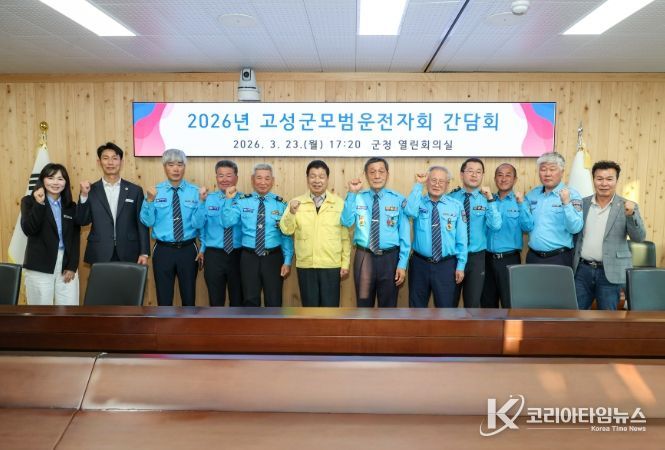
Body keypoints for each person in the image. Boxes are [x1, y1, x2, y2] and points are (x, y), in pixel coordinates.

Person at [573, 160, 646, 310]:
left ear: (616, 180)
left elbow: (639, 238)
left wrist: (631, 215)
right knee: (576, 315)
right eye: (599, 179)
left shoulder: (627, 206)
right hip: (582, 270)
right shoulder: (582, 204)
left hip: (610, 272)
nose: (604, 183)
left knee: (608, 318)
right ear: (593, 180)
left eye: (609, 179)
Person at [340, 157, 411, 308]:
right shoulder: (357, 198)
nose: (377, 176)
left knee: (388, 308)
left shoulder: (398, 199)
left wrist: (402, 264)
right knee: (364, 307)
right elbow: (346, 222)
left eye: (381, 171)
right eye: (372, 172)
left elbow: (405, 236)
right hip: (364, 257)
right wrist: (351, 194)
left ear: (387, 174)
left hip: (390, 259)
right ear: (366, 175)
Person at [280, 160, 351, 307]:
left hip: (331, 265)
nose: (317, 180)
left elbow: (345, 237)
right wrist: (291, 213)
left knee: (330, 310)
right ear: (307, 179)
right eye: (313, 176)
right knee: (309, 309)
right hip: (306, 265)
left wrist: (345, 263)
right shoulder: (296, 203)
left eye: (321, 176)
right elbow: (286, 230)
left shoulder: (339, 203)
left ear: (327, 179)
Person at [223, 163, 293, 307]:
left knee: (274, 301)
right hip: (249, 258)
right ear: (252, 179)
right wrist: (228, 200)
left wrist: (287, 260)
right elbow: (227, 222)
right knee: (249, 300)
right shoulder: (242, 201)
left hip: (273, 258)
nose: (263, 182)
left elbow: (286, 235)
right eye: (259, 178)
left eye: (267, 178)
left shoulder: (280, 204)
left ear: (272, 181)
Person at [140, 149, 203, 306]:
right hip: (163, 250)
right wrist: (149, 200)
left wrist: (202, 202)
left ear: (184, 167)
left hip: (188, 249)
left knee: (189, 298)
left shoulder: (195, 192)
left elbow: (199, 224)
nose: (176, 169)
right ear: (164, 167)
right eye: (171, 164)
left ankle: (189, 322)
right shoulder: (154, 192)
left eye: (180, 164)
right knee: (164, 298)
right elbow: (148, 222)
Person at [76, 142, 150, 266]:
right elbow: (82, 221)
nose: (110, 162)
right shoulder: (90, 190)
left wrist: (144, 252)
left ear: (121, 162)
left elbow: (141, 223)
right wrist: (84, 195)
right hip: (99, 251)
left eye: (115, 158)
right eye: (105, 158)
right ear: (99, 162)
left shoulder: (135, 190)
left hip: (129, 251)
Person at [404, 166, 467, 308]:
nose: (437, 184)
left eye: (441, 181)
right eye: (433, 180)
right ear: (427, 182)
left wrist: (461, 265)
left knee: (446, 310)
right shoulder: (418, 202)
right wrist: (418, 185)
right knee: (417, 310)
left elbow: (462, 239)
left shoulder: (456, 206)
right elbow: (409, 212)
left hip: (447, 266)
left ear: (447, 184)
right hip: (420, 264)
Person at [21, 163, 80, 305]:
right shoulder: (29, 201)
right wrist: (39, 204)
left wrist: (72, 266)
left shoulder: (70, 206)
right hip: (39, 265)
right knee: (40, 311)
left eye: (60, 179)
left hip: (65, 264)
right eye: (51, 178)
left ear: (65, 182)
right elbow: (29, 229)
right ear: (43, 180)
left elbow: (74, 237)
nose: (55, 182)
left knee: (69, 310)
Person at [447, 158, 501, 308]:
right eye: (470, 171)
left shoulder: (487, 199)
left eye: (478, 172)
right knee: (449, 303)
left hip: (476, 258)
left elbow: (496, 226)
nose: (474, 175)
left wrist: (490, 200)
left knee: (473, 304)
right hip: (452, 257)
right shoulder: (450, 198)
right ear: (461, 174)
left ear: (482, 175)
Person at [192, 160, 244, 307]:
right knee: (215, 301)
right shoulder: (208, 199)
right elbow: (197, 225)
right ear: (216, 177)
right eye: (221, 175)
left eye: (229, 175)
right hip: (214, 255)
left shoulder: (245, 200)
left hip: (238, 255)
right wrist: (201, 202)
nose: (224, 179)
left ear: (236, 178)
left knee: (238, 300)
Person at [481, 163, 533, 308]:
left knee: (510, 304)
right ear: (495, 178)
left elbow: (528, 227)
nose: (503, 179)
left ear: (515, 179)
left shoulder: (521, 201)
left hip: (509, 260)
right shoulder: (487, 200)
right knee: (487, 304)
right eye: (500, 175)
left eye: (508, 175)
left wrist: (521, 204)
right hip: (486, 259)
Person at [525, 152, 583, 267]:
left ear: (562, 172)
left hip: (559, 258)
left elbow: (575, 228)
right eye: (543, 169)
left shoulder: (572, 195)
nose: (547, 174)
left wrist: (566, 203)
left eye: (552, 169)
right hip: (533, 256)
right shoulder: (532, 195)